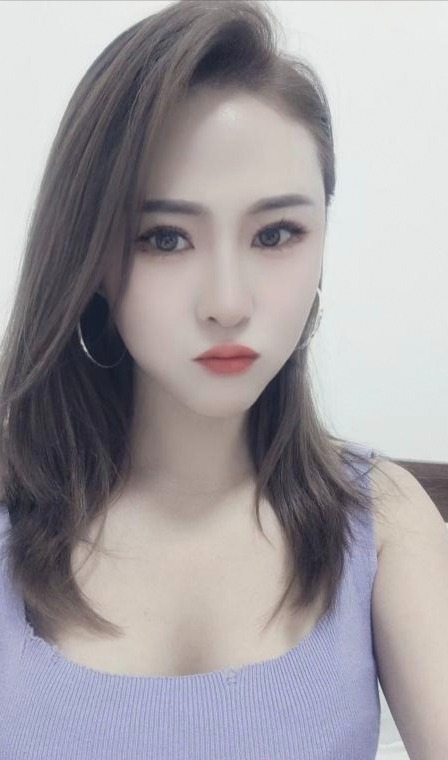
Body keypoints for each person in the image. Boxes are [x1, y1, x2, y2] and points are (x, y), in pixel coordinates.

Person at [3, 1, 439, 758]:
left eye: (276, 234)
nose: (228, 303)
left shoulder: (383, 523)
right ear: (90, 255)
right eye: (166, 238)